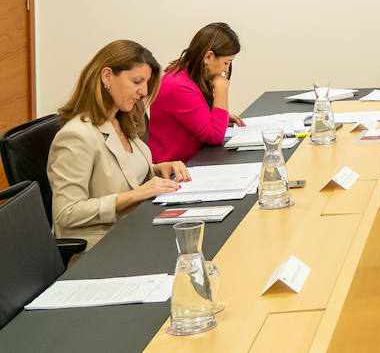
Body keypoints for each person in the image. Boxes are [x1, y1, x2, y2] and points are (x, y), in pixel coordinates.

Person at [47, 40, 190, 248]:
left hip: (132, 229)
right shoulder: (76, 136)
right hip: (101, 246)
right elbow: (66, 213)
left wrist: (157, 170)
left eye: (146, 83)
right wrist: (135, 195)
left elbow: (122, 173)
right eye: (137, 81)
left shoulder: (120, 119)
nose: (143, 91)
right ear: (107, 76)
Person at [148, 22, 244, 163]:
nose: (226, 70)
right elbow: (214, 137)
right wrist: (221, 89)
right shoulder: (179, 86)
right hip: (172, 171)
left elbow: (202, 125)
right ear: (208, 57)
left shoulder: (190, 75)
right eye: (226, 63)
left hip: (192, 161)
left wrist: (219, 119)